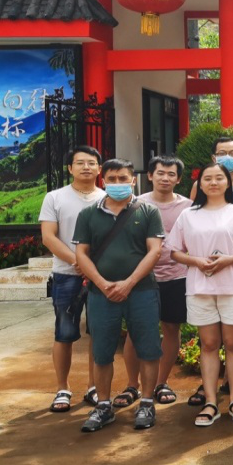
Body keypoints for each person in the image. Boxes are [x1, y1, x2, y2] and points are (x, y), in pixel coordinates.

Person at [166, 163, 233, 427]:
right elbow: (174, 251)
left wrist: (229, 260)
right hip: (201, 287)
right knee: (209, 344)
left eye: (218, 178)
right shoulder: (188, 215)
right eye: (207, 178)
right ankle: (210, 402)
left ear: (228, 182)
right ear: (199, 184)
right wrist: (197, 261)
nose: (213, 183)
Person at [72, 159, 166, 433]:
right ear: (103, 181)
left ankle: (146, 402)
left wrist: (129, 283)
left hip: (142, 291)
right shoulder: (88, 214)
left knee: (148, 349)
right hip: (101, 294)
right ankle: (103, 406)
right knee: (102, 352)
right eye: (111, 179)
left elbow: (155, 251)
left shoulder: (148, 211)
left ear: (133, 180)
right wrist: (102, 284)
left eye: (123, 179)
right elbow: (81, 254)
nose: (117, 184)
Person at [113, 154, 191, 411]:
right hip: (141, 277)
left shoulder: (188, 207)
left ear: (178, 179)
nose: (165, 178)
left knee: (171, 329)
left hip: (177, 276)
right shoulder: (135, 204)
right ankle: (132, 384)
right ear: (150, 176)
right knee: (135, 332)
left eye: (171, 174)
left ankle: (161, 383)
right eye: (160, 173)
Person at [38, 145, 105, 414]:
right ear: (70, 168)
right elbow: (49, 237)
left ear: (99, 169)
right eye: (80, 163)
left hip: (101, 277)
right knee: (64, 333)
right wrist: (79, 262)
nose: (86, 167)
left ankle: (93, 387)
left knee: (98, 333)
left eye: (91, 163)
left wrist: (93, 268)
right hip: (66, 275)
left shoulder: (107, 198)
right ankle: (62, 388)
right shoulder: (54, 197)